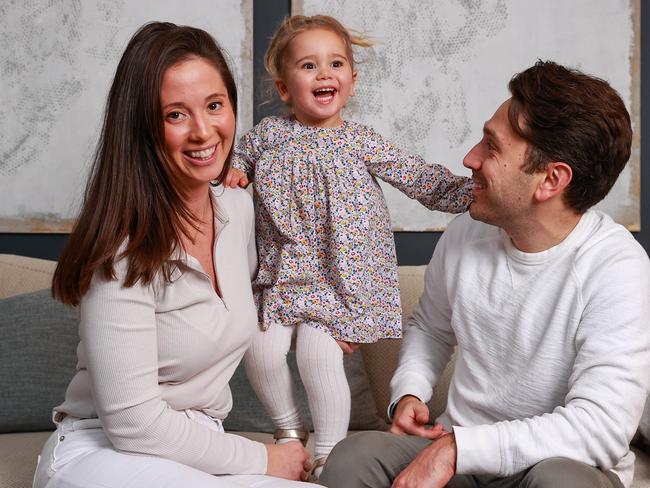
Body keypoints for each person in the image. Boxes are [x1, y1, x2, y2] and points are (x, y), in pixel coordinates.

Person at [319, 60, 650, 488]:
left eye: (492, 147)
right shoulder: (465, 233)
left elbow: (599, 430)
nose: (469, 158)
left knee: (562, 483)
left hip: (553, 463)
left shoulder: (618, 267)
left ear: (550, 180)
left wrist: (459, 449)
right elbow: (431, 328)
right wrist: (410, 391)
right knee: (353, 458)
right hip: (458, 454)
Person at [33, 22, 320, 488]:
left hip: (198, 447)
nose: (203, 132)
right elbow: (133, 423)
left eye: (214, 105)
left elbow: (292, 280)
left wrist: (338, 321)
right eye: (175, 115)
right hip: (103, 451)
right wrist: (262, 458)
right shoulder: (120, 249)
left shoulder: (241, 210)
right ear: (143, 128)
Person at [223, 15, 473, 480]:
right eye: (308, 66)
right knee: (257, 348)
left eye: (335, 64)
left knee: (317, 356)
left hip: (340, 284)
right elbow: (239, 157)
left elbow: (416, 176)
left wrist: (473, 193)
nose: (324, 74)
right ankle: (289, 433)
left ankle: (330, 450)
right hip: (284, 277)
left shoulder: (361, 141)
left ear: (351, 83)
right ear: (283, 88)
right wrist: (238, 172)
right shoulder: (267, 137)